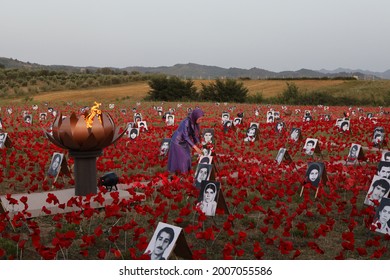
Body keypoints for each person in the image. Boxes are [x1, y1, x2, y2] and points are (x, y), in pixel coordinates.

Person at [167, 108, 204, 174]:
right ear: (195, 117)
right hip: (177, 141)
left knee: (187, 157)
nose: (201, 121)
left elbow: (194, 134)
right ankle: (180, 173)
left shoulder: (194, 123)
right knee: (182, 159)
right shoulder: (186, 122)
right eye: (200, 119)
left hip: (184, 142)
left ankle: (185, 173)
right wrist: (195, 147)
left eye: (202, 119)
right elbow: (185, 136)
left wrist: (198, 142)